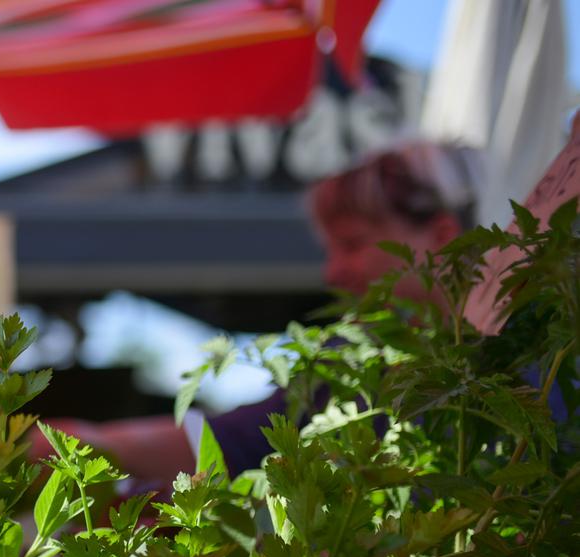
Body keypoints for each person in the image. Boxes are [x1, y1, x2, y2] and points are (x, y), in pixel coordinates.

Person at [52, 140, 484, 483]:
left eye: (352, 243)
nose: (333, 272)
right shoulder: (353, 355)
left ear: (443, 235)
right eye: (330, 250)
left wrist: (88, 446)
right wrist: (83, 444)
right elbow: (247, 436)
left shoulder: (527, 347)